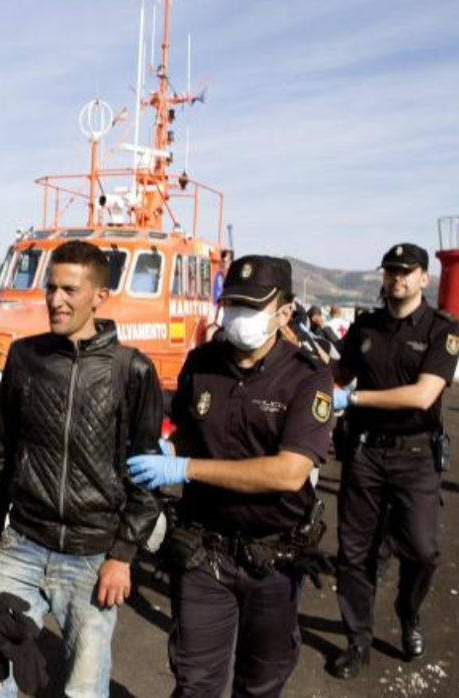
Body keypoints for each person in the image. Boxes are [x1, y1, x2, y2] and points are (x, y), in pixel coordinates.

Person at [126, 255, 334, 697]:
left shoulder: (307, 378)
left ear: (283, 312)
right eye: (232, 302)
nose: (238, 314)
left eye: (251, 305)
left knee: (259, 685)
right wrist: (169, 449)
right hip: (205, 553)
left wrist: (182, 467)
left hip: (273, 560)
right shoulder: (201, 363)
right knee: (194, 683)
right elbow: (189, 432)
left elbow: (288, 473)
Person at [0, 240, 163, 698]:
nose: (55, 300)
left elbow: (146, 471)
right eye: (50, 288)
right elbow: (5, 447)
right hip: (23, 542)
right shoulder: (24, 357)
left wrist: (122, 555)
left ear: (99, 296)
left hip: (91, 554)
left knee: (84, 688)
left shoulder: (132, 370)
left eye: (69, 290)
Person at [327, 243, 459, 679]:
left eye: (406, 271)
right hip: (365, 452)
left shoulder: (442, 328)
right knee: (354, 554)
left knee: (422, 551)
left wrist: (357, 398)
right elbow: (336, 377)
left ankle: (408, 611)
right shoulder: (365, 326)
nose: (397, 278)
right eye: (390, 271)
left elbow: (424, 394)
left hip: (417, 454)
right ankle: (357, 640)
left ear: (424, 278)